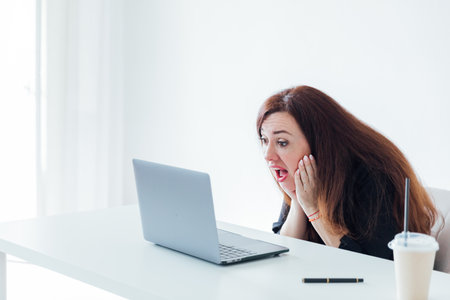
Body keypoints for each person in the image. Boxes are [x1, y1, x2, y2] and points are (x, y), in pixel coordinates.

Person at [256, 85, 438, 260]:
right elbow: (282, 253)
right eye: (264, 140)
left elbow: (369, 267)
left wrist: (313, 209)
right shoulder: (306, 176)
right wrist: (298, 200)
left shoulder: (374, 174)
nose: (268, 155)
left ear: (319, 143)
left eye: (282, 142)